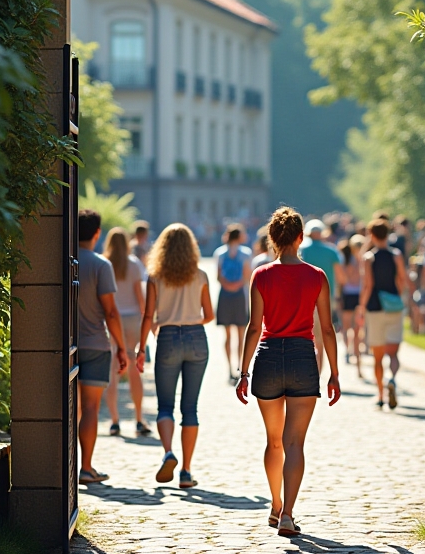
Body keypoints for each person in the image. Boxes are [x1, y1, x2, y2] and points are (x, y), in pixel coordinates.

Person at [237, 206, 340, 536]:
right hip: (301, 357)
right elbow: (327, 329)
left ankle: (275, 503)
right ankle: (288, 515)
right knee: (295, 443)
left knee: (274, 441)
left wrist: (243, 372)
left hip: (267, 358)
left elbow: (254, 327)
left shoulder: (261, 276)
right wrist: (334, 373)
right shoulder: (317, 276)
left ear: (273, 239)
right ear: (300, 238)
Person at [136, 223, 214, 489]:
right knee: (190, 408)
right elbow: (209, 315)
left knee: (165, 405)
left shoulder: (155, 276)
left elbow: (148, 315)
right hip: (196, 338)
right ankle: (186, 471)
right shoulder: (201, 275)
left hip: (167, 338)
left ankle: (168, 453)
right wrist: (190, 319)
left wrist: (140, 348)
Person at [76, 210, 128, 483]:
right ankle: (86, 467)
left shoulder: (66, 262)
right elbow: (110, 312)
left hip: (69, 345)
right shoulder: (100, 265)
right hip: (96, 344)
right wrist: (121, 347)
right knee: (91, 408)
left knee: (72, 409)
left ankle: (67, 469)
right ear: (97, 233)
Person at [103, 227, 150, 438]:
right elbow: (141, 297)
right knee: (134, 368)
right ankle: (139, 419)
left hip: (113, 319)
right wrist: (146, 319)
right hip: (132, 320)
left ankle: (115, 421)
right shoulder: (134, 264)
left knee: (113, 371)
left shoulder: (104, 264)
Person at [356, 219, 408, 410]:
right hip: (393, 305)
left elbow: (368, 284)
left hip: (375, 308)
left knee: (377, 357)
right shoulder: (396, 255)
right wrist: (395, 295)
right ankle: (392, 378)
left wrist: (361, 308)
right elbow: (401, 278)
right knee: (393, 354)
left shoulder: (369, 257)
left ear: (372, 235)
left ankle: (380, 394)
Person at [300, 219, 339, 374]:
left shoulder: (301, 250)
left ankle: (307, 371)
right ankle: (318, 373)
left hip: (303, 300)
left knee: (305, 337)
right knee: (322, 337)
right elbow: (340, 276)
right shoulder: (331, 251)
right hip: (326, 299)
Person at [213, 224, 251, 384]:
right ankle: (240, 367)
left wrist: (228, 286)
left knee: (227, 335)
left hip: (225, 295)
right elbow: (247, 276)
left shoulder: (220, 253)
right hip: (239, 295)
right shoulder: (246, 253)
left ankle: (229, 368)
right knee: (241, 335)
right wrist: (237, 285)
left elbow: (218, 276)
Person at [335, 232, 367, 376]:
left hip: (348, 294)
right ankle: (355, 357)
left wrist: (339, 297)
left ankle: (348, 351)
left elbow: (343, 281)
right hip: (358, 295)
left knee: (347, 327)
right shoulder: (364, 260)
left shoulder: (346, 260)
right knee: (356, 329)